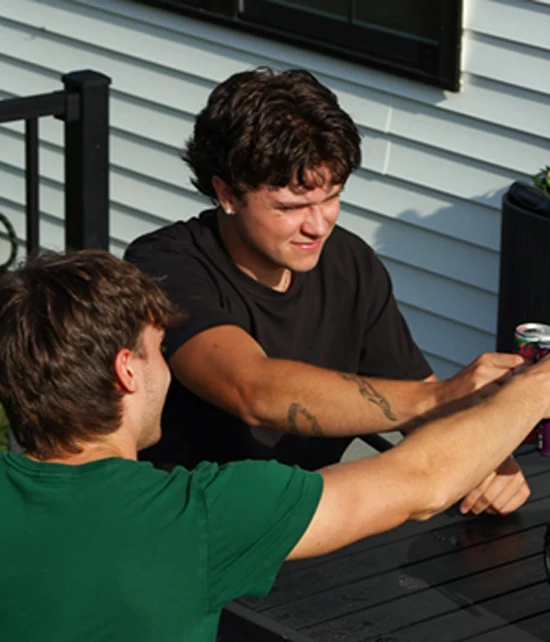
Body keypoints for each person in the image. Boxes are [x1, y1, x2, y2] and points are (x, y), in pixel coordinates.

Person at [0, 250, 550, 642]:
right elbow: (421, 483)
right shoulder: (198, 515)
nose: (167, 369)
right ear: (127, 370)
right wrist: (538, 393)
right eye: (158, 351)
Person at [125, 68, 526, 516]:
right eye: (291, 207)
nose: (318, 226)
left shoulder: (349, 262)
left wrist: (485, 458)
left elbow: (419, 402)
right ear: (227, 194)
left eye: (332, 197)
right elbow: (252, 389)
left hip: (311, 519)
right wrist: (442, 397)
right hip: (185, 520)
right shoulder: (164, 264)